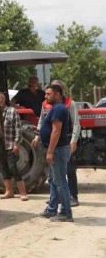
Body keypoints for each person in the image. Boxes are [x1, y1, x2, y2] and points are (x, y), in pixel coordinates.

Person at [32, 79, 81, 207]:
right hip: (51, 144)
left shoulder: (70, 104)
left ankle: (73, 196)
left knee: (69, 170)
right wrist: (37, 136)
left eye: (56, 88)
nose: (48, 94)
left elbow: (76, 124)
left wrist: (74, 141)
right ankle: (56, 198)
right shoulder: (46, 104)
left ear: (60, 92)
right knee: (52, 173)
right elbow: (41, 121)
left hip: (65, 142)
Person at [38, 84, 73, 222]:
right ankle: (52, 209)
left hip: (57, 150)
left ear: (57, 94)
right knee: (53, 180)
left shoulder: (58, 109)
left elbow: (56, 131)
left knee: (60, 182)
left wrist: (50, 152)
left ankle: (66, 213)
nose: (45, 96)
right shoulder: (56, 108)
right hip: (56, 149)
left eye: (48, 94)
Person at [0, 92, 28, 200]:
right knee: (4, 168)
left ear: (4, 100)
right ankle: (9, 192)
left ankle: (23, 193)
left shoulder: (12, 111)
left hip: (10, 144)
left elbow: (18, 128)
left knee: (13, 167)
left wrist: (16, 143)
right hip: (0, 145)